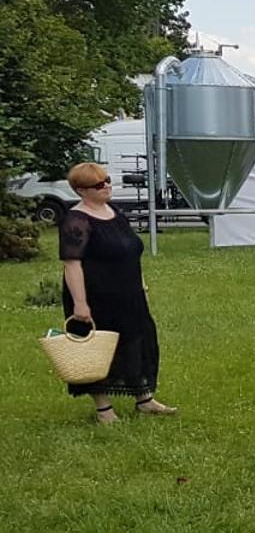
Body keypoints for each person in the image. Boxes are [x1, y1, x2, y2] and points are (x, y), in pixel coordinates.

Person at [57, 162, 174, 424]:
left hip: (128, 293)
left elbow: (131, 252)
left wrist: (141, 286)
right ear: (81, 191)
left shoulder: (115, 212)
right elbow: (71, 264)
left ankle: (144, 398)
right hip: (97, 297)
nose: (106, 186)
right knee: (97, 350)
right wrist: (80, 304)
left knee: (138, 342)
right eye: (99, 184)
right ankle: (103, 409)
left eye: (107, 180)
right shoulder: (76, 221)